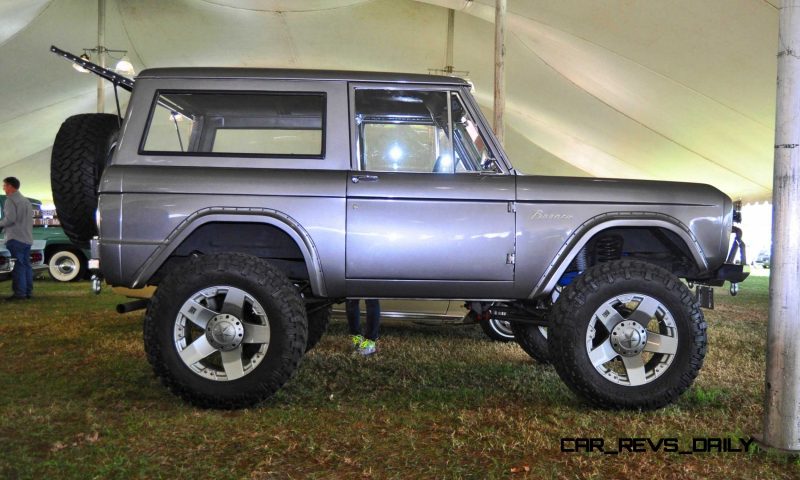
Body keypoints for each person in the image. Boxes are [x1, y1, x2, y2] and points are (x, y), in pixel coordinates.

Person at [0, 177, 34, 300]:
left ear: (10, 186)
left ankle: (20, 294)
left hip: (15, 237)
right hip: (27, 237)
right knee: (26, 265)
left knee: (18, 266)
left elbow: (10, 219)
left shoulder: (10, 201)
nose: (3, 188)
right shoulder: (26, 201)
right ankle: (28, 292)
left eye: (4, 185)